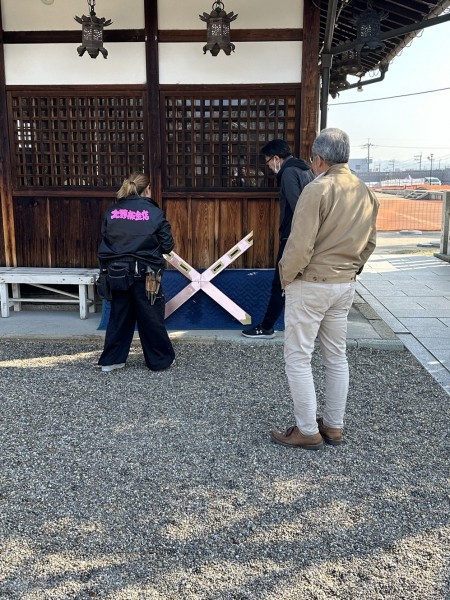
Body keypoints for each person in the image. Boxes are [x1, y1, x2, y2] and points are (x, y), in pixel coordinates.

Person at [270, 128, 379, 450]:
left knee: (298, 358)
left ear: (318, 159)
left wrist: (286, 277)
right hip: (344, 283)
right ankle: (333, 426)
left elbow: (300, 244)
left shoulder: (317, 189)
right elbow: (370, 243)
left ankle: (307, 430)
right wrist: (352, 270)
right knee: (336, 357)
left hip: (311, 283)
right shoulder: (365, 191)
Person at [97, 172, 175, 373]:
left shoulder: (112, 212)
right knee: (151, 317)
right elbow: (167, 246)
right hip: (148, 273)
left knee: (118, 316)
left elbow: (105, 239)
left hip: (117, 273)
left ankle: (111, 361)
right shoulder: (154, 213)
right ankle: (159, 360)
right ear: (147, 189)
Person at [242, 140, 313, 339]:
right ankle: (307, 328)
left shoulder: (288, 172)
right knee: (300, 283)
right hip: (307, 238)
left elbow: (298, 209)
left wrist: (293, 239)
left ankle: (266, 327)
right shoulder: (305, 170)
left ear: (276, 159)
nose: (268, 167)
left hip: (293, 237)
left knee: (280, 282)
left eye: (268, 162)